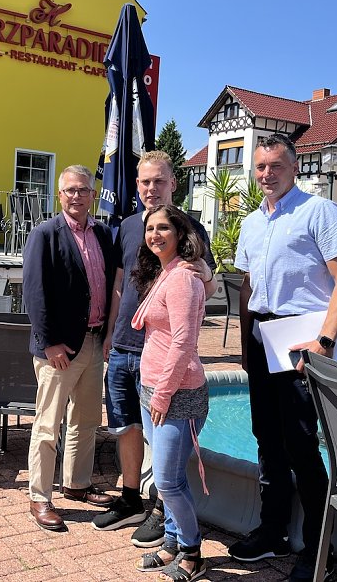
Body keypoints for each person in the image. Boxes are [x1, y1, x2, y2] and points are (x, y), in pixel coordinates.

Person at [229, 134, 337, 582]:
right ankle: (273, 530)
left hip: (304, 338)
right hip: (264, 337)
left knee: (302, 445)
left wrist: (323, 341)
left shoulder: (319, 212)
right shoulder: (251, 222)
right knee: (266, 437)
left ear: (294, 167)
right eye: (261, 167)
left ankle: (321, 548)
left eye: (276, 167)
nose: (267, 174)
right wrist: (248, 345)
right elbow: (248, 287)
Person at [92, 151, 217, 548]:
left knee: (161, 442)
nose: (150, 189)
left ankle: (165, 512)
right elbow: (117, 282)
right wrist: (111, 330)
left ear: (173, 183)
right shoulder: (129, 226)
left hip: (162, 355)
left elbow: (201, 287)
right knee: (126, 425)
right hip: (127, 347)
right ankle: (131, 498)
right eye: (144, 182)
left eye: (158, 181)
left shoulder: (188, 229)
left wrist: (208, 275)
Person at [22, 165, 116, 531]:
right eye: (70, 191)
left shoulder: (104, 235)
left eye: (84, 190)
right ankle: (39, 497)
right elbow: (34, 293)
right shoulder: (44, 234)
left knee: (86, 420)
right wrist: (49, 343)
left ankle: (77, 484)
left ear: (93, 195)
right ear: (59, 195)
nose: (77, 196)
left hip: (93, 342)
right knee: (48, 425)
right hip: (58, 350)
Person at [130, 205, 209, 582]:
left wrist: (161, 395)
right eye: (150, 229)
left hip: (176, 393)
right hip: (155, 388)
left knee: (167, 481)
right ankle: (173, 543)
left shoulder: (181, 279)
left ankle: (192, 552)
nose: (155, 234)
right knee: (171, 477)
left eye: (163, 228)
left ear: (180, 233)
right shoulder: (165, 273)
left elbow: (183, 342)